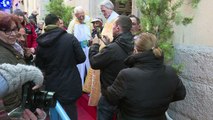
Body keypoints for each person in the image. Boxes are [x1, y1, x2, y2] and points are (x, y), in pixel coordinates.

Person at [104, 32, 186, 120]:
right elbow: (181, 94)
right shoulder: (170, 72)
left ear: (135, 50)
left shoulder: (127, 75)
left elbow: (111, 98)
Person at [35, 13, 86, 120]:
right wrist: (69, 62)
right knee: (69, 113)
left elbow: (39, 66)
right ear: (58, 23)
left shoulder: (41, 43)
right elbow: (82, 58)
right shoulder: (70, 38)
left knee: (55, 112)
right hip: (70, 83)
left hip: (52, 83)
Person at [89, 15, 134, 120]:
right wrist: (110, 44)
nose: (112, 29)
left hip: (110, 94)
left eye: (113, 26)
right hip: (127, 94)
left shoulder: (112, 49)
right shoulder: (134, 43)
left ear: (118, 28)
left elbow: (94, 62)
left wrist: (94, 45)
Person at [0, 11, 26, 112]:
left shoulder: (11, 46)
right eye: (6, 31)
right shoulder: (2, 53)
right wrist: (17, 111)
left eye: (15, 29)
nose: (13, 34)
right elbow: (7, 90)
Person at [67, 6, 91, 85]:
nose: (81, 17)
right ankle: (79, 85)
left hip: (88, 48)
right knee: (79, 68)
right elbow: (69, 36)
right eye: (79, 15)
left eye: (82, 15)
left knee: (89, 68)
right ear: (75, 15)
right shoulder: (72, 23)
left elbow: (91, 32)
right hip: (78, 49)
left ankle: (88, 85)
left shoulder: (88, 20)